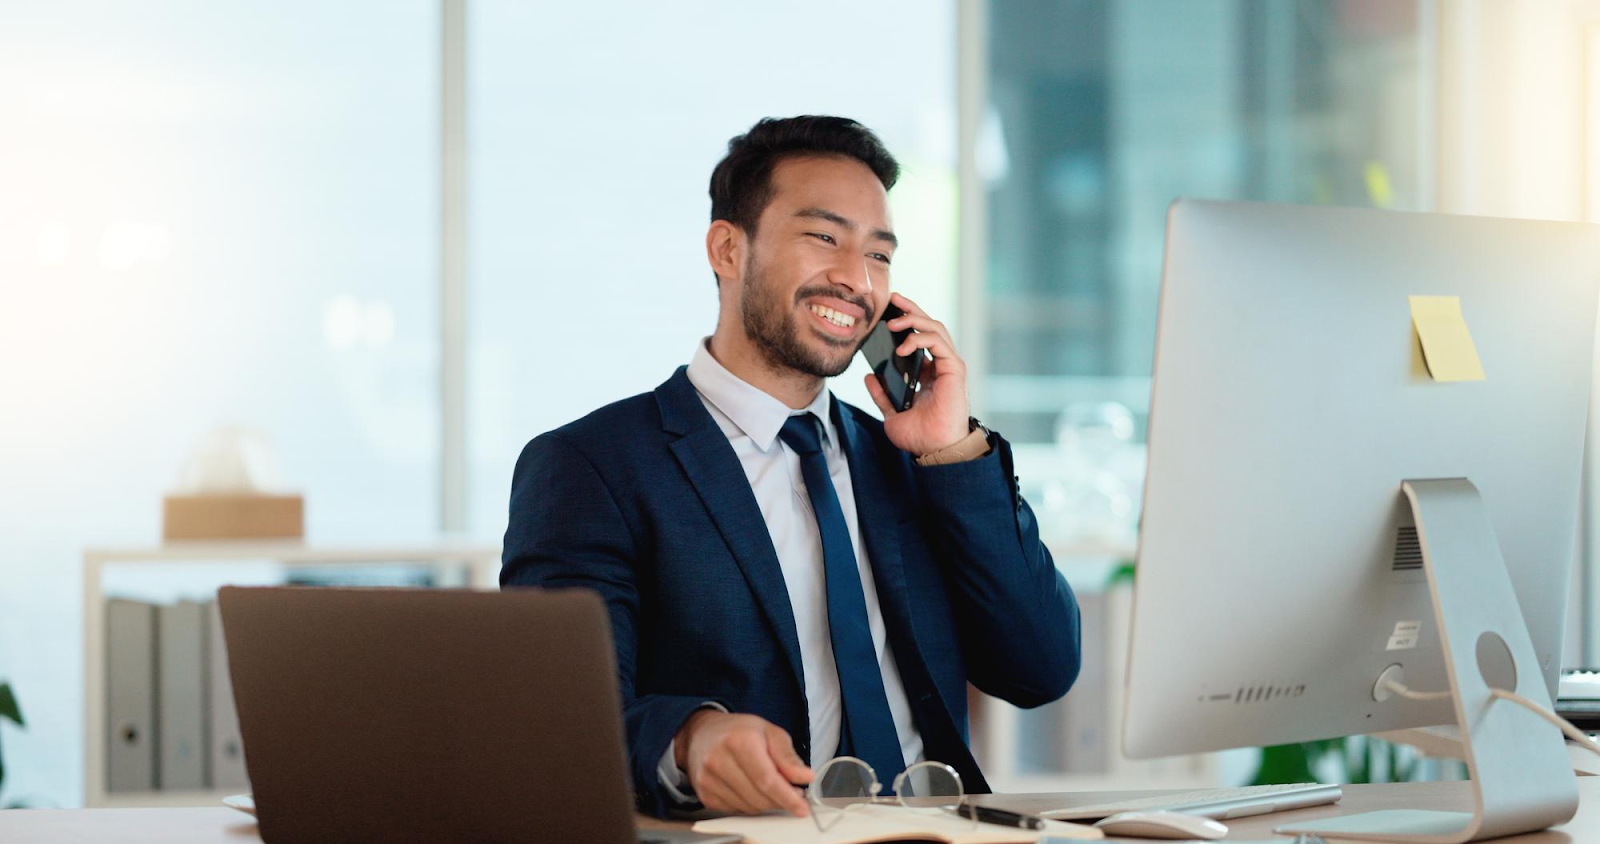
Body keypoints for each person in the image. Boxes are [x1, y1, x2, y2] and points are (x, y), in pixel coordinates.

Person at [502, 115, 1080, 818]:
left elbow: (1040, 668)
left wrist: (952, 449)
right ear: (726, 249)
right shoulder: (594, 466)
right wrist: (691, 739)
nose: (855, 280)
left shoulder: (912, 463)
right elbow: (563, 723)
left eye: (879, 255)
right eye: (824, 238)